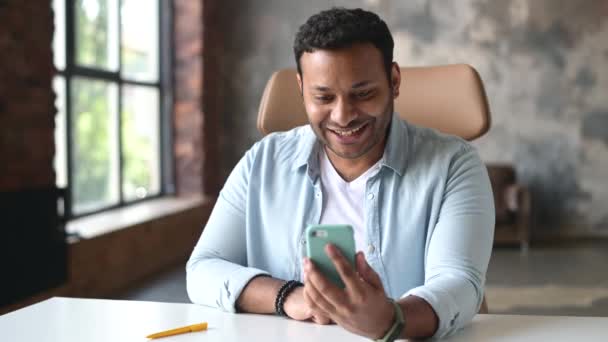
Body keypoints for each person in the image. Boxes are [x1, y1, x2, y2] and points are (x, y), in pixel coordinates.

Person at [186, 7, 494, 340]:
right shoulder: (263, 162)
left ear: (394, 81)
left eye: (363, 94)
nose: (343, 116)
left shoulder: (454, 165)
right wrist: (289, 296)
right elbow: (203, 268)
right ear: (301, 88)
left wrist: (393, 319)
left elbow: (460, 282)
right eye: (323, 97)